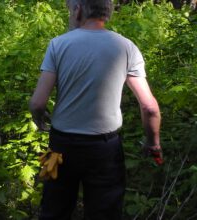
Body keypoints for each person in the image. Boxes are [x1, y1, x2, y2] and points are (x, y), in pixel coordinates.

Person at [29, 0, 162, 219]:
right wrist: (153, 142)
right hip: (105, 149)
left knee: (55, 210)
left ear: (78, 9)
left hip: (62, 146)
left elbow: (37, 103)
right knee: (105, 213)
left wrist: (39, 118)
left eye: (70, 10)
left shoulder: (58, 44)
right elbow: (149, 107)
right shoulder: (126, 47)